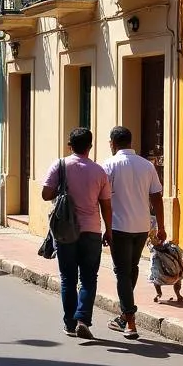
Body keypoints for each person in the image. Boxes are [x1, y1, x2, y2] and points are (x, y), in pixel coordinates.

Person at [42, 127, 113, 339]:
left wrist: (62, 189)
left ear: (70, 146)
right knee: (89, 277)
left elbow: (45, 194)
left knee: (68, 279)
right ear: (90, 146)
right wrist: (109, 231)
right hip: (92, 230)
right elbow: (106, 205)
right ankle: (83, 318)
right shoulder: (99, 171)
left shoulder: (60, 165)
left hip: (65, 232)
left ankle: (70, 324)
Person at [101, 125, 165, 337]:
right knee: (131, 268)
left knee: (122, 272)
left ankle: (129, 321)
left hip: (119, 227)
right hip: (141, 227)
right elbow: (157, 197)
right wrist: (161, 227)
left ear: (113, 143)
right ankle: (124, 315)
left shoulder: (109, 165)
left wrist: (106, 228)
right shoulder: (146, 165)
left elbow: (104, 201)